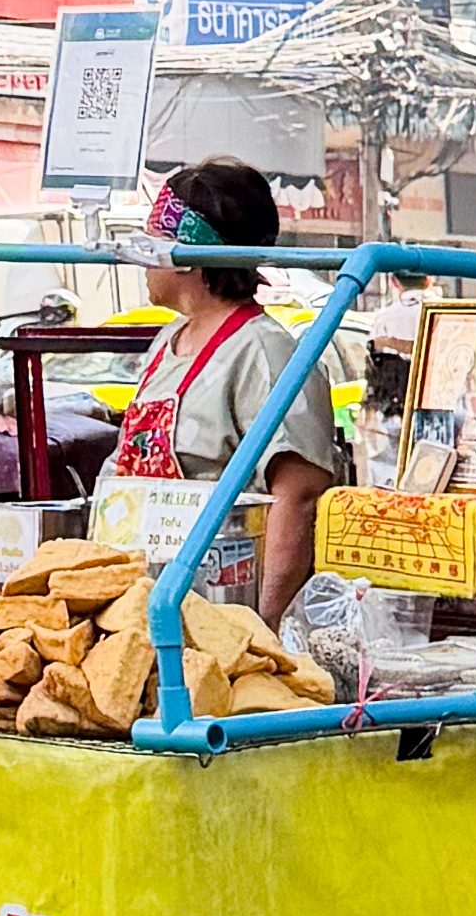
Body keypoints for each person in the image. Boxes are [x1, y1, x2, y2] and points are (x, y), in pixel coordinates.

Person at [120, 162, 341, 620]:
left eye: (153, 241)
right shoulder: (167, 341)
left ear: (188, 254)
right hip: (148, 594)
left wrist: (259, 627)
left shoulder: (265, 351)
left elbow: (297, 497)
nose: (142, 258)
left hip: (221, 604)